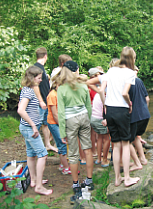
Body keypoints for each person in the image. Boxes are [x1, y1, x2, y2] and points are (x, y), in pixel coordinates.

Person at [98, 47, 141, 187]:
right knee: (125, 144)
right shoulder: (130, 73)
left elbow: (100, 89)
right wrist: (130, 104)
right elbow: (124, 93)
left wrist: (105, 105)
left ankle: (117, 179)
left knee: (115, 146)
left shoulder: (111, 70)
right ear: (132, 59)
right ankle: (127, 178)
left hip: (109, 110)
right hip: (121, 111)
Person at [57, 60, 94, 201]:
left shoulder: (61, 88)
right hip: (84, 117)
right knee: (88, 150)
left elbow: (61, 113)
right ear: (76, 70)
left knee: (73, 154)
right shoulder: (83, 85)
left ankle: (76, 184)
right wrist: (88, 121)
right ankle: (89, 180)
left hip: (70, 121)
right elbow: (88, 106)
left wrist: (62, 132)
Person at [17, 66, 52, 195]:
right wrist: (32, 125)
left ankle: (33, 180)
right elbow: (20, 110)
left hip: (30, 128)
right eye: (39, 78)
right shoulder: (28, 92)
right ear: (32, 78)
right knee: (43, 154)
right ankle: (38, 187)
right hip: (29, 128)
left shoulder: (29, 89)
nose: (41, 80)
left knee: (31, 154)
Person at [33, 47, 57, 152]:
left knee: (45, 124)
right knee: (37, 124)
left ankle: (47, 144)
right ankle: (35, 146)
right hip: (41, 101)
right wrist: (41, 101)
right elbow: (35, 86)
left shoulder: (40, 68)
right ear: (45, 56)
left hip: (45, 100)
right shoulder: (37, 69)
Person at [47, 69, 71, 174]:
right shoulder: (52, 95)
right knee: (62, 144)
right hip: (54, 123)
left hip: (57, 123)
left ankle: (62, 164)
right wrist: (62, 126)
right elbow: (55, 113)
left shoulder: (57, 94)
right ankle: (66, 168)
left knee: (61, 143)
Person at [129, 66, 150, 165]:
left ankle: (136, 161)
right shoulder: (139, 81)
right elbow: (147, 99)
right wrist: (145, 110)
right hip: (145, 114)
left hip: (134, 116)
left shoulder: (126, 83)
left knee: (127, 139)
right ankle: (142, 158)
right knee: (135, 136)